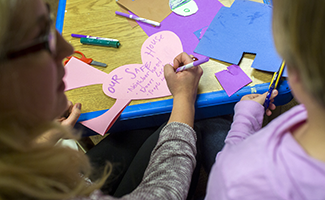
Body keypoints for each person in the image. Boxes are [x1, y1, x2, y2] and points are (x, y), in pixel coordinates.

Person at [0, 0, 203, 199]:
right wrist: (184, 98)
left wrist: (42, 141)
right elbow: (167, 192)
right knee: (193, 130)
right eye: (43, 39)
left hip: (76, 181)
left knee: (146, 126)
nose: (68, 50)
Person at [203, 0, 325, 199]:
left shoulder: (237, 181)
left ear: (295, 71)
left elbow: (228, 171)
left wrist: (243, 122)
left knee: (208, 125)